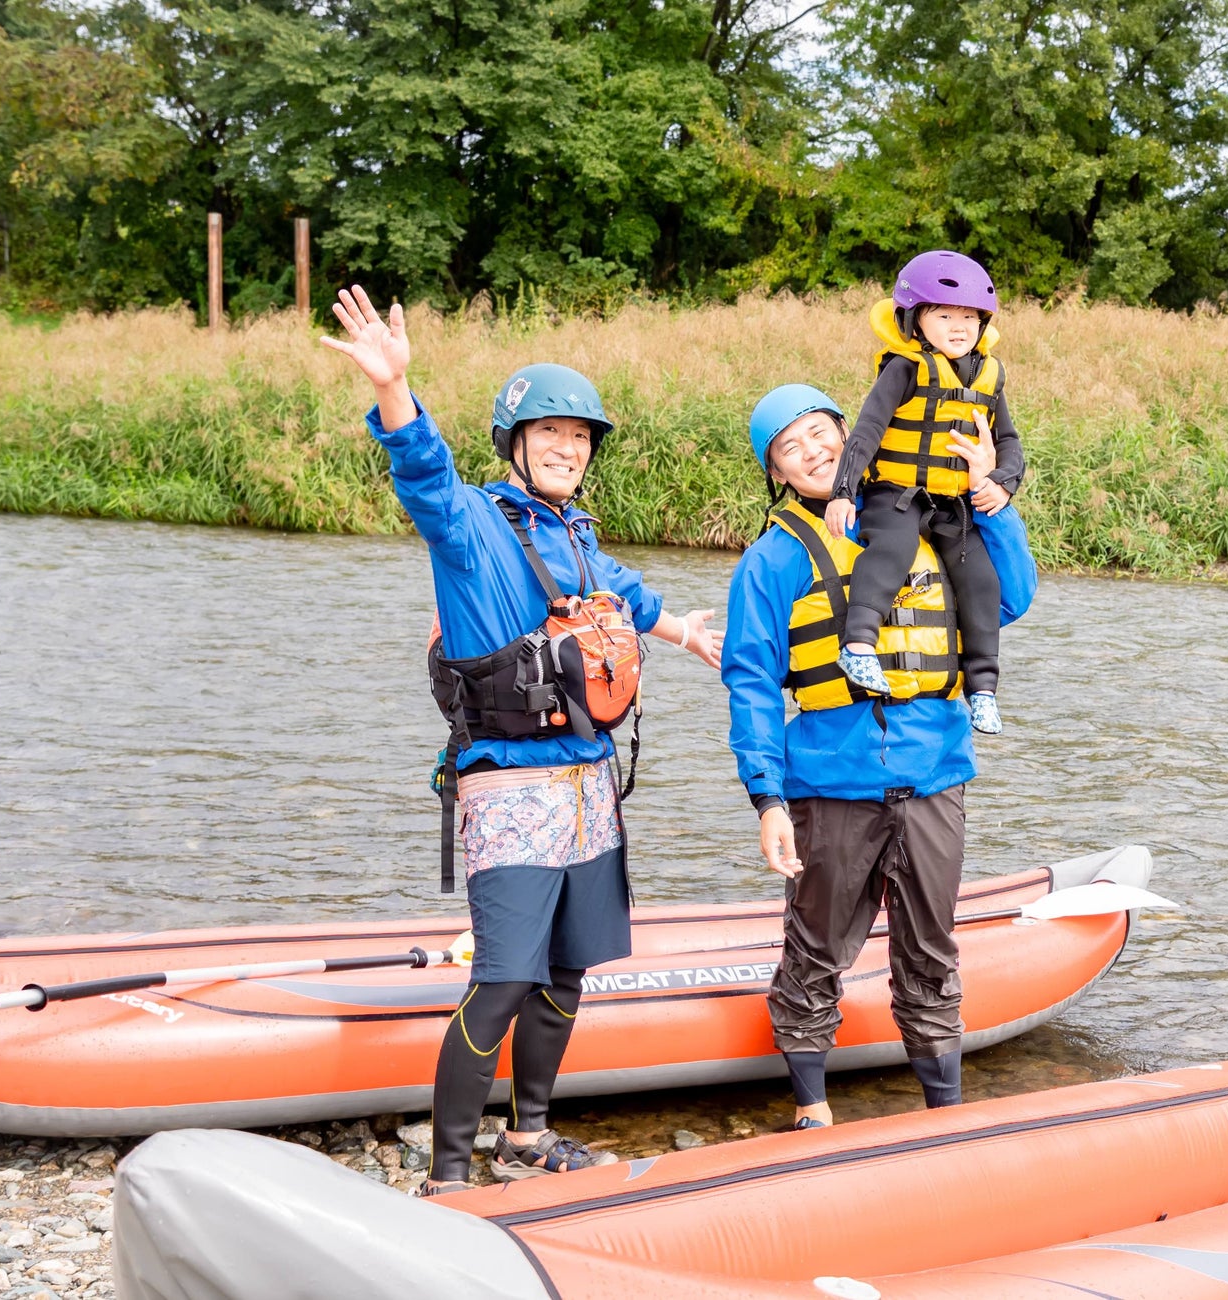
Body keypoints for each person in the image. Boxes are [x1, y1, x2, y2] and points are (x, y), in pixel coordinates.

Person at [320, 286, 723, 1195]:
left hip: (589, 785)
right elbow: (420, 469)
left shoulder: (577, 538)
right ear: (515, 443)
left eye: (580, 438)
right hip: (509, 786)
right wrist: (395, 389)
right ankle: (450, 1172)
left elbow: (630, 596)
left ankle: (530, 1137)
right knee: (503, 979)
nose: (566, 449)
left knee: (567, 971)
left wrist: (681, 633)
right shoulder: (471, 527)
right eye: (549, 434)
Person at [724, 382, 1038, 1129]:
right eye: (790, 447)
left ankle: (943, 1114)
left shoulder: (929, 518)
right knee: (816, 948)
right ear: (776, 472)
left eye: (820, 433)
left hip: (933, 775)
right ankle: (812, 1107)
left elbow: (1013, 597)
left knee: (930, 950)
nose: (813, 452)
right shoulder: (773, 560)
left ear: (849, 435)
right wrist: (767, 797)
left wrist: (990, 496)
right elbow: (752, 683)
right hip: (832, 784)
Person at [827, 250, 1027, 735]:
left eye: (969, 317)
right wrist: (843, 491)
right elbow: (867, 430)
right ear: (915, 319)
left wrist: (1003, 483)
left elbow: (1009, 443)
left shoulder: (990, 377)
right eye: (943, 315)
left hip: (951, 505)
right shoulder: (904, 367)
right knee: (893, 547)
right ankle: (857, 646)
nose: (959, 326)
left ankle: (981, 688)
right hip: (894, 493)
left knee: (980, 577)